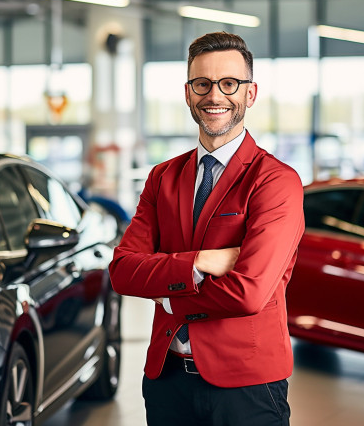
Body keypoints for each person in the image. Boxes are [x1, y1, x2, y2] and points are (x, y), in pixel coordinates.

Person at [109, 31, 305, 426]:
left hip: (246, 386)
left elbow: (248, 293)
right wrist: (202, 261)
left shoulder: (275, 181)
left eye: (229, 83)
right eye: (202, 84)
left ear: (250, 93)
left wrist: (168, 297)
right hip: (167, 380)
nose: (215, 96)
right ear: (188, 93)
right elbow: (123, 271)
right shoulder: (162, 177)